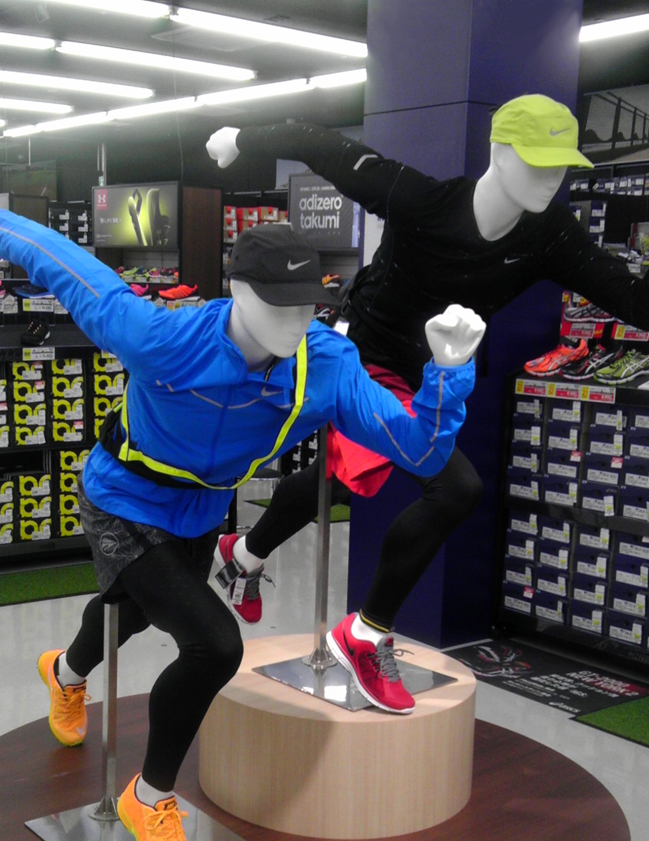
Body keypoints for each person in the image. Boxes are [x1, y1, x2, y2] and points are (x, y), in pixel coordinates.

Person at [0, 202, 484, 841]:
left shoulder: (327, 364)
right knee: (213, 643)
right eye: (278, 304)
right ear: (236, 289)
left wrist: (448, 371)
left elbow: (415, 448)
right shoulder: (163, 336)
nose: (295, 322)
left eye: (307, 305)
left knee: (132, 610)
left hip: (203, 508)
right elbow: (77, 272)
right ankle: (149, 799)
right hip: (123, 497)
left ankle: (65, 671)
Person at [206, 93, 649, 708]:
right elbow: (321, 145)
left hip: (439, 373)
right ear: (499, 151)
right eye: (537, 162)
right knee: (455, 488)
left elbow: (625, 293)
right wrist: (240, 138)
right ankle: (365, 634)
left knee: (341, 475)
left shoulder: (551, 234)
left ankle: (244, 552)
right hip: (368, 357)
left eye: (560, 166)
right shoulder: (422, 201)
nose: (551, 179)